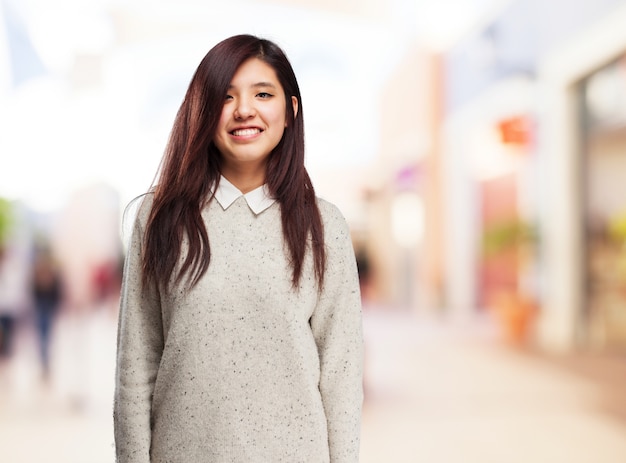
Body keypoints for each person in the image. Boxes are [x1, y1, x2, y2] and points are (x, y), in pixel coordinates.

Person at [114, 34, 364, 462]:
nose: (244, 109)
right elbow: (135, 372)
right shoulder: (159, 219)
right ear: (203, 112)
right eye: (225, 97)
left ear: (291, 110)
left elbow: (341, 380)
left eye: (262, 94)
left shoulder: (324, 227)